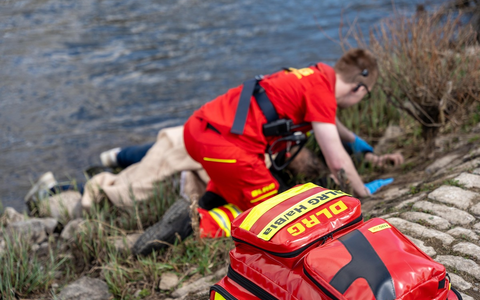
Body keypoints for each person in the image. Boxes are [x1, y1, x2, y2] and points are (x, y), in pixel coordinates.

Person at [183, 48, 403, 215]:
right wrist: (361, 192)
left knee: (232, 191)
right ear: (359, 88)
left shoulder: (316, 75)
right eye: (367, 94)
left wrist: (362, 148)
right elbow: (337, 162)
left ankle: (198, 209)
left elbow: (331, 124)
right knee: (279, 215)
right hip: (224, 146)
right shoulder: (322, 93)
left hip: (200, 129)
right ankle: (202, 226)